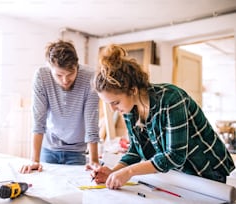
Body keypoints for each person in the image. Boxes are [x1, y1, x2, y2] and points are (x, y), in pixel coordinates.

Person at [91, 44, 235, 189]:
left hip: (207, 170)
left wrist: (129, 172)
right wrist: (113, 172)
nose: (113, 109)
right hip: (180, 174)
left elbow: (175, 156)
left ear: (133, 90)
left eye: (115, 102)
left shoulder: (170, 98)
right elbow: (135, 150)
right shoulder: (130, 110)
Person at [20, 40, 100, 173]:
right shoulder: (41, 76)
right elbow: (38, 121)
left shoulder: (90, 77)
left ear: (77, 66)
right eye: (59, 75)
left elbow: (91, 122)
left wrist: (94, 161)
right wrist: (34, 160)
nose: (65, 80)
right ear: (49, 67)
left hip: (77, 150)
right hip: (49, 147)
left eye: (70, 74)